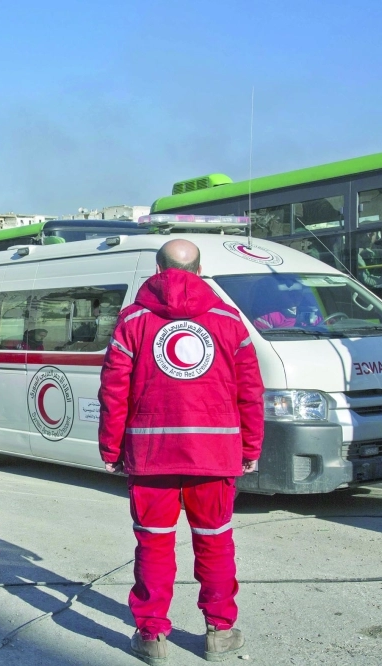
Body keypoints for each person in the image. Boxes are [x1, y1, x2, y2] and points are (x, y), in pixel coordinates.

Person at [98, 239, 264, 664]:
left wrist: (111, 448)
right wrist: (250, 446)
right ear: (201, 270)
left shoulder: (132, 320)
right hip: (214, 453)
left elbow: (113, 391)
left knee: (153, 545)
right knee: (215, 543)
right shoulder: (228, 319)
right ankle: (220, 632)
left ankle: (152, 635)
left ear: (157, 270)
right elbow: (250, 390)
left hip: (151, 454)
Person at [252, 279, 321, 330]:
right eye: (290, 294)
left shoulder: (311, 311)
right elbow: (259, 337)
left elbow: (324, 325)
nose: (295, 297)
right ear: (279, 294)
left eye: (298, 293)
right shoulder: (268, 315)